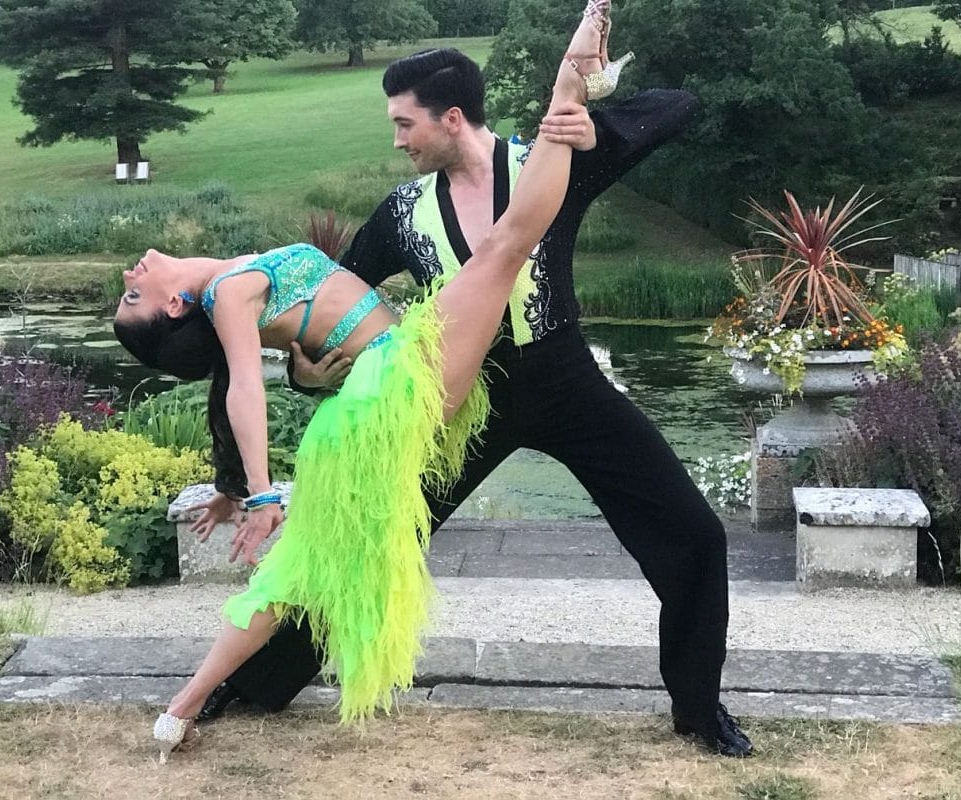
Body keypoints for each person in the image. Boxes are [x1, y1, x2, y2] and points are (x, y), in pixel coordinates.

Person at [200, 13, 754, 760]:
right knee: (361, 533)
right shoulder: (402, 214)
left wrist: (595, 127)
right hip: (460, 401)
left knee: (694, 534)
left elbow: (679, 106)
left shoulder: (548, 158)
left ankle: (698, 708)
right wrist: (303, 373)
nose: (397, 140)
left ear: (451, 118)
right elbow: (330, 302)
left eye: (405, 124)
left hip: (567, 383)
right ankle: (252, 683)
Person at [113, 1, 620, 763]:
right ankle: (570, 80)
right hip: (391, 382)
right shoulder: (226, 293)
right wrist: (259, 494)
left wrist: (233, 485)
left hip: (369, 403)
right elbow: (243, 389)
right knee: (505, 246)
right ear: (175, 307)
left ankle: (181, 708)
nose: (133, 271)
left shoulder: (233, 281)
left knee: (299, 570)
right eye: (133, 294)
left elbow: (235, 387)